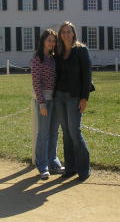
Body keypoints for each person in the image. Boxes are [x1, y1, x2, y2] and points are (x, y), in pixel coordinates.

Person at [54, 21, 92, 181]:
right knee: (66, 133)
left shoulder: (81, 50)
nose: (65, 34)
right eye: (63, 32)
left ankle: (84, 169)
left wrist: (84, 98)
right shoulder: (59, 51)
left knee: (75, 132)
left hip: (74, 96)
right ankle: (70, 168)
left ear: (73, 33)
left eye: (68, 31)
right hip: (60, 96)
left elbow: (87, 75)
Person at [31, 29, 65, 180]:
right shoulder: (38, 58)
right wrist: (42, 103)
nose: (51, 43)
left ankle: (53, 161)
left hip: (56, 99)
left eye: (53, 41)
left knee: (53, 133)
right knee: (43, 134)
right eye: (49, 40)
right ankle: (43, 165)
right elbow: (36, 83)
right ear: (43, 41)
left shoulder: (54, 58)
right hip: (44, 99)